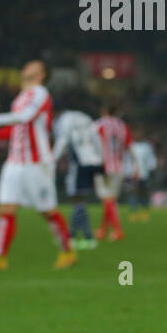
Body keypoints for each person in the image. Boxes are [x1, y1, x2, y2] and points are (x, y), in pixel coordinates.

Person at [0, 60, 76, 270]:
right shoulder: (21, 97)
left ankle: (67, 252)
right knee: (6, 209)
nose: (26, 66)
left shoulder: (40, 93)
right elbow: (17, 128)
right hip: (15, 162)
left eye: (33, 65)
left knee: (47, 211)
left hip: (36, 164)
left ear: (42, 74)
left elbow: (26, 117)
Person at [51, 107, 103, 249]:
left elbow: (62, 140)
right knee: (80, 200)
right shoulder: (85, 117)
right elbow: (97, 137)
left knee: (77, 199)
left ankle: (84, 237)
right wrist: (101, 159)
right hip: (94, 161)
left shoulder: (62, 121)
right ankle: (74, 236)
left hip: (80, 161)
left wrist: (52, 161)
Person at [93, 105, 132, 242]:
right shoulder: (122, 126)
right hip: (119, 166)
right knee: (110, 200)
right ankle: (103, 231)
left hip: (103, 165)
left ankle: (117, 230)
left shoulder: (99, 124)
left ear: (103, 111)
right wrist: (135, 165)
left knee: (107, 199)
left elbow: (94, 144)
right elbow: (129, 146)